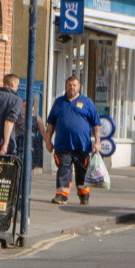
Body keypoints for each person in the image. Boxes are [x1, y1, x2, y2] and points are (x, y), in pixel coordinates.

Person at [46, 76, 101, 204]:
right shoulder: (59, 102)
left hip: (82, 145)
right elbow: (50, 124)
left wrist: (97, 142)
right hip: (62, 144)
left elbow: (96, 124)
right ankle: (61, 195)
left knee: (82, 171)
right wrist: (48, 141)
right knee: (64, 170)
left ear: (79, 86)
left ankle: (84, 195)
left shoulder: (87, 102)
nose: (72, 87)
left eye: (74, 85)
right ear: (66, 86)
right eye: (69, 84)